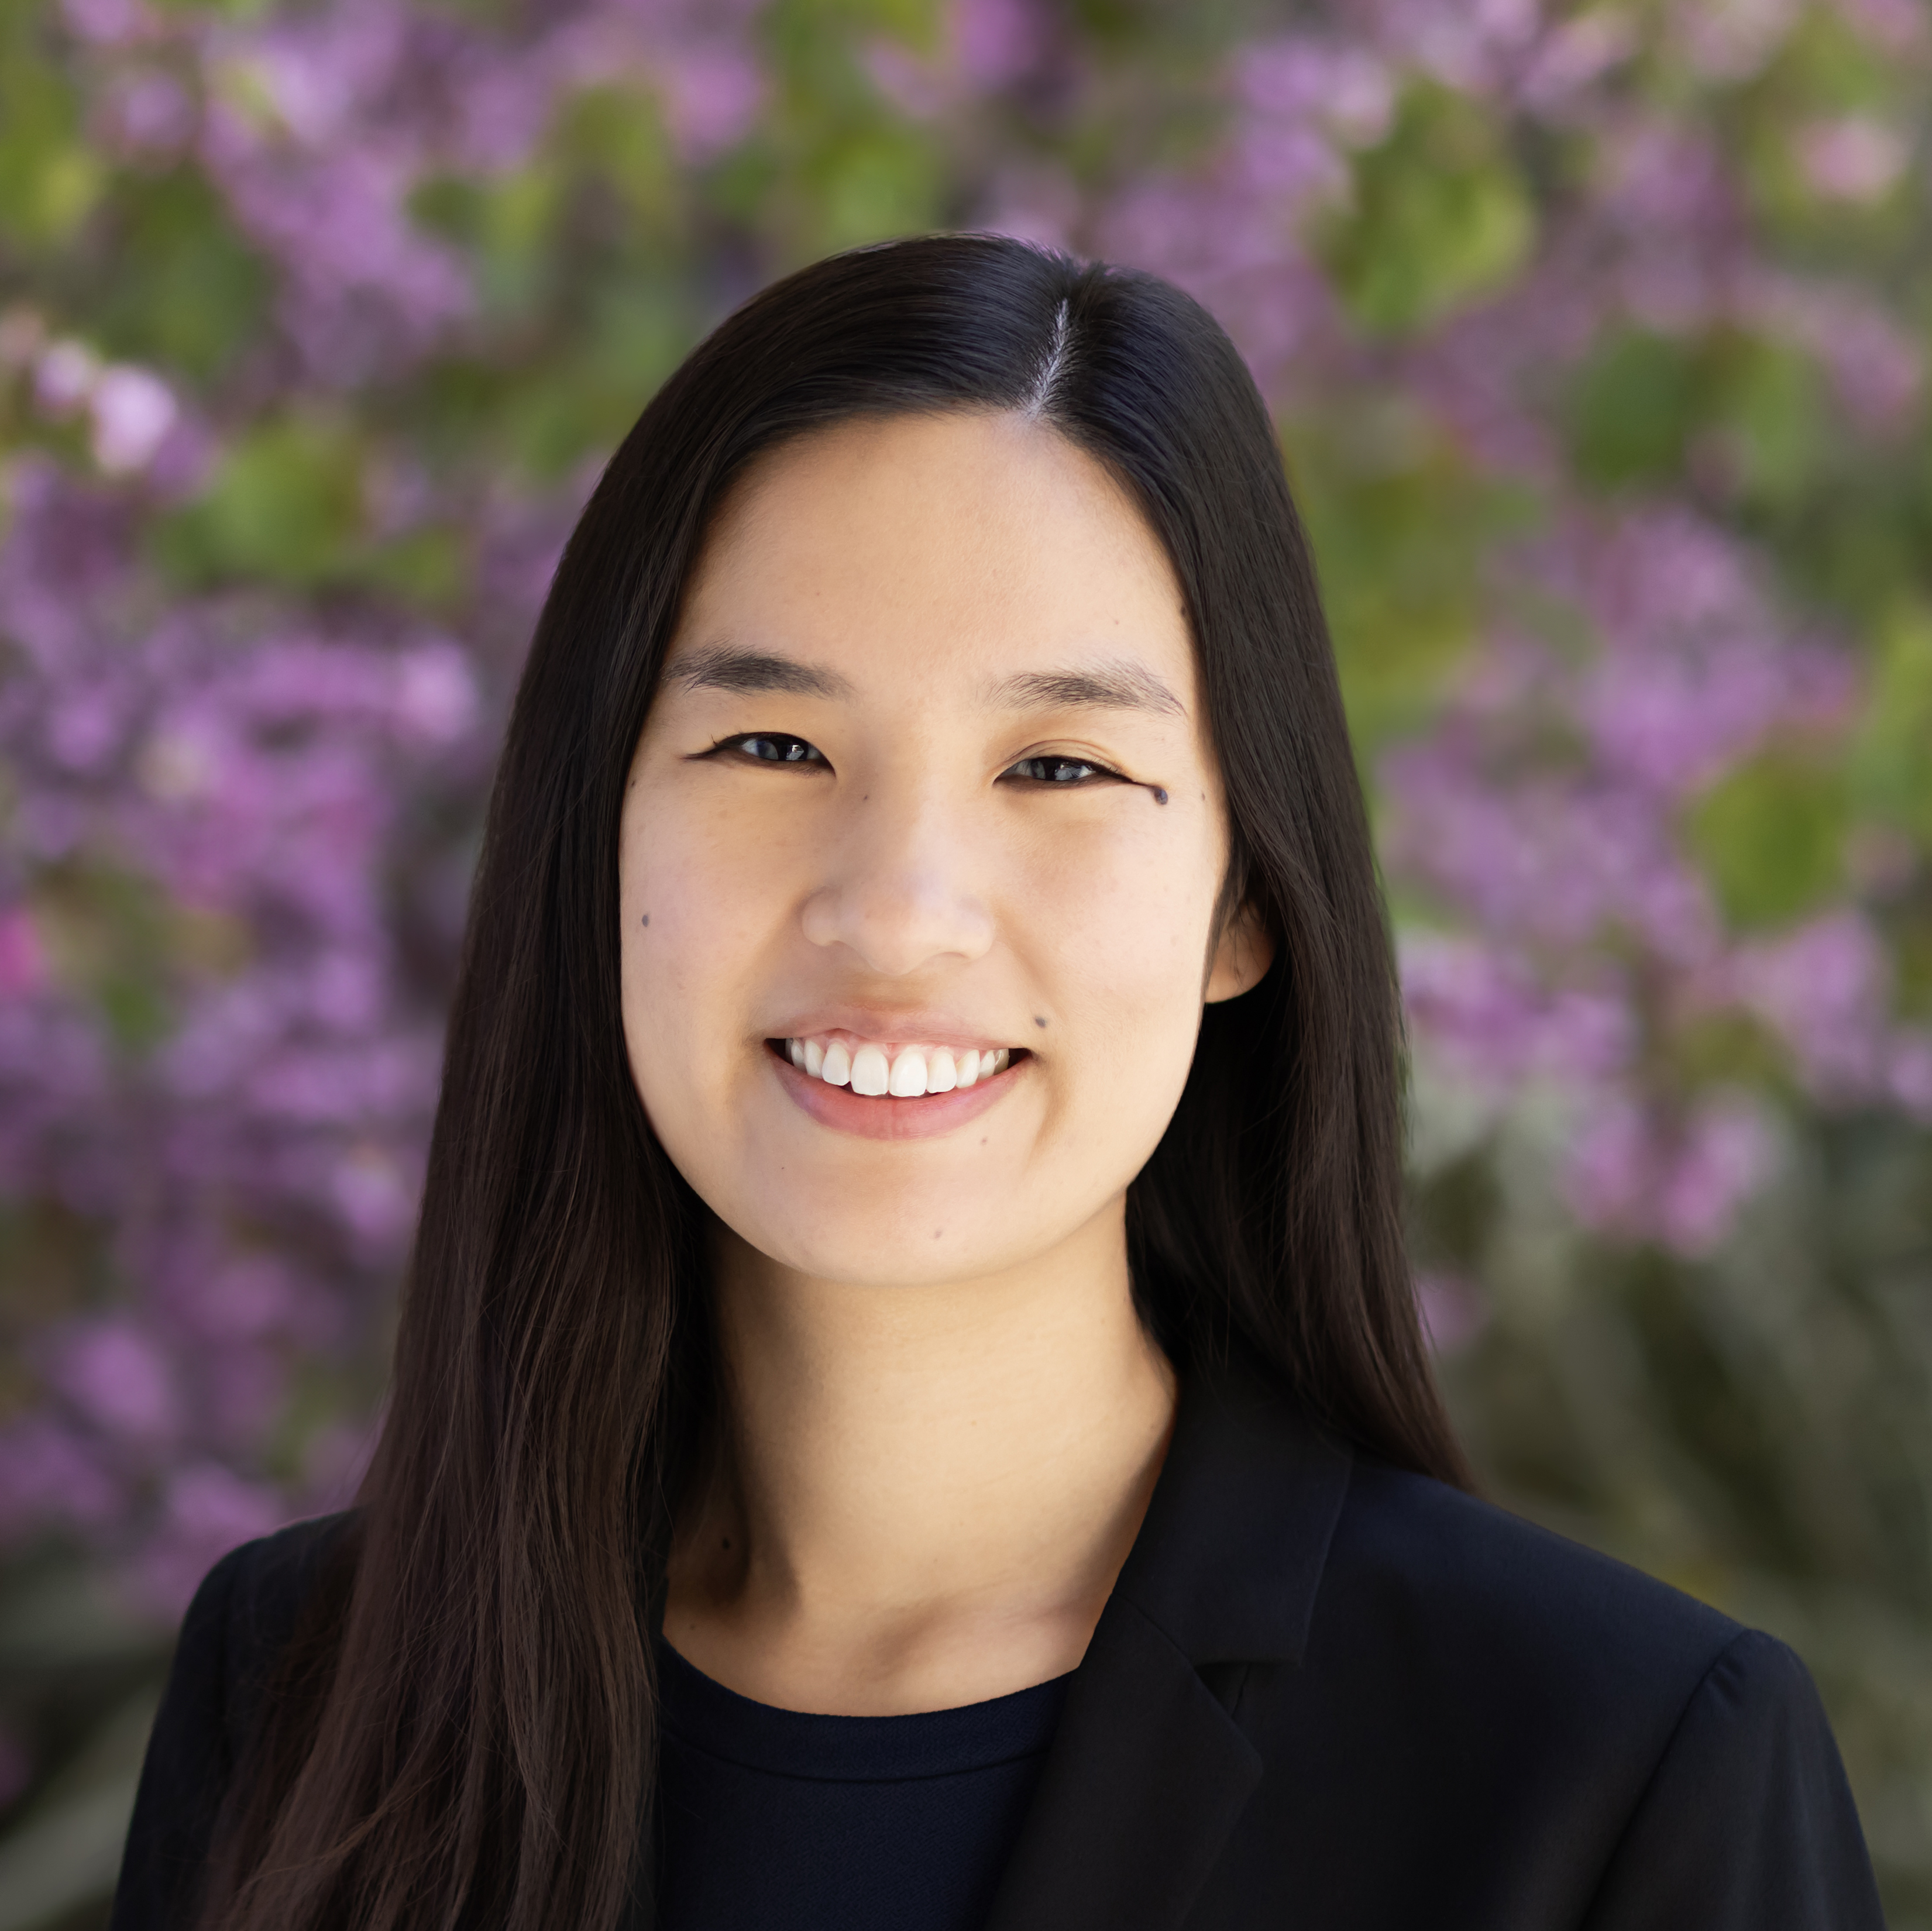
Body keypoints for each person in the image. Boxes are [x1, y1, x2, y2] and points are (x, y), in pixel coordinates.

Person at [109, 233, 1884, 1931]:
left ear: (1246, 900)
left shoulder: (1613, 1772)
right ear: (598, 842)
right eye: (772, 743)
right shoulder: (302, 1695)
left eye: (1057, 764)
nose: (897, 909)